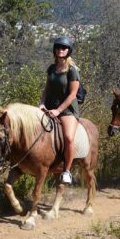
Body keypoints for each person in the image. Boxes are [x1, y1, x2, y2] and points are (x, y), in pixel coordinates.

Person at [39, 36, 80, 185]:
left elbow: (72, 95)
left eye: (64, 48)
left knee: (68, 138)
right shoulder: (51, 68)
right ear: (54, 50)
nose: (61, 50)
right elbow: (47, 89)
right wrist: (42, 103)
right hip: (49, 107)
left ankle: (67, 171)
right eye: (58, 47)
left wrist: (58, 110)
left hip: (67, 110)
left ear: (68, 51)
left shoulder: (72, 71)